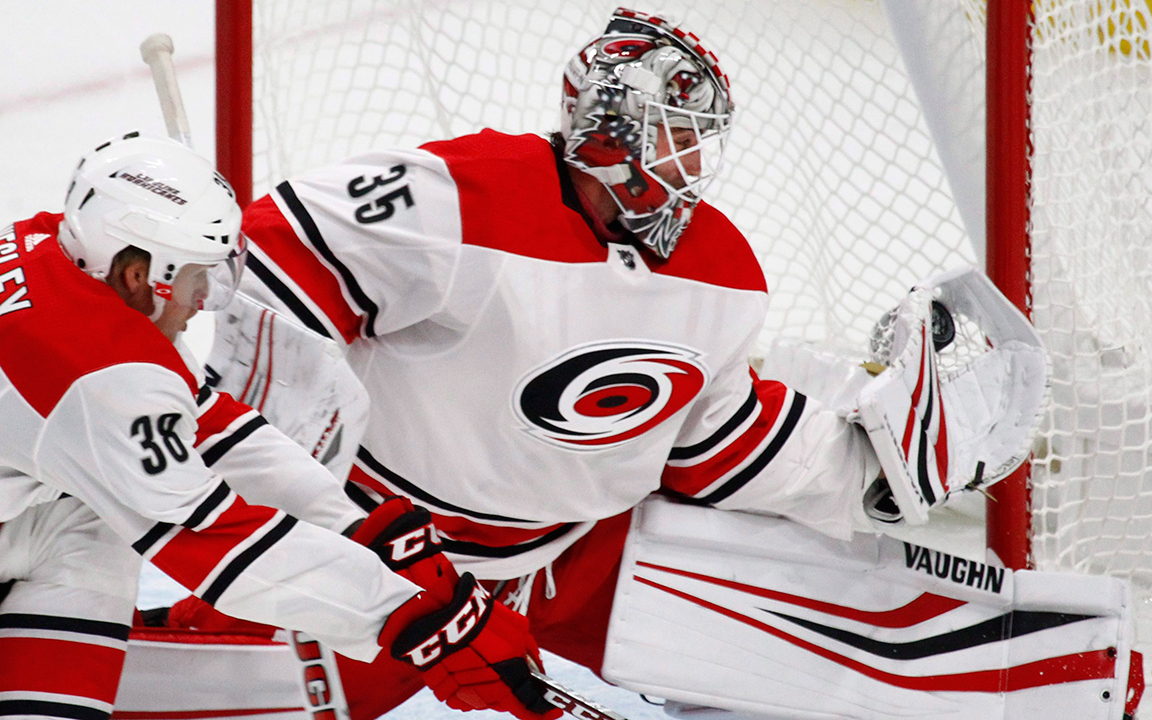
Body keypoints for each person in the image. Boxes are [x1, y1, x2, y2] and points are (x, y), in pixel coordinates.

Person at [216, 6, 886, 682]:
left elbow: (714, 439)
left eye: (700, 140)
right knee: (254, 696)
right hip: (375, 557)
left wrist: (868, 469)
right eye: (674, 135)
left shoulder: (721, 270)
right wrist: (296, 490)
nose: (692, 164)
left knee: (749, 664)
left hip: (553, 566)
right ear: (609, 130)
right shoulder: (462, 196)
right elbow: (271, 262)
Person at [0, 132, 560, 720]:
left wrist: (360, 531)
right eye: (197, 275)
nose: (201, 300)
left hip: (22, 515)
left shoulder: (67, 259)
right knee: (126, 507)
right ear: (140, 272)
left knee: (95, 511)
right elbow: (216, 544)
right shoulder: (95, 373)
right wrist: (412, 622)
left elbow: (214, 431)